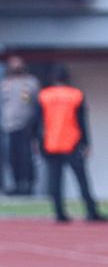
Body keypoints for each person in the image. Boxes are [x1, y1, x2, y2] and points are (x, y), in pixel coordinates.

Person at [35, 65, 105, 223]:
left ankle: (59, 213)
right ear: (67, 79)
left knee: (55, 180)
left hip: (51, 143)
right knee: (82, 179)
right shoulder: (75, 95)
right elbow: (82, 121)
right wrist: (86, 143)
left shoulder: (44, 96)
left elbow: (37, 122)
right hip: (72, 142)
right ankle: (91, 211)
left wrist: (38, 143)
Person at [0, 55, 39, 195]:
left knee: (25, 157)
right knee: (12, 158)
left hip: (26, 125)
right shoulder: (5, 83)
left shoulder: (30, 82)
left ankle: (27, 184)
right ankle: (16, 184)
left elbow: (34, 102)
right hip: (10, 126)